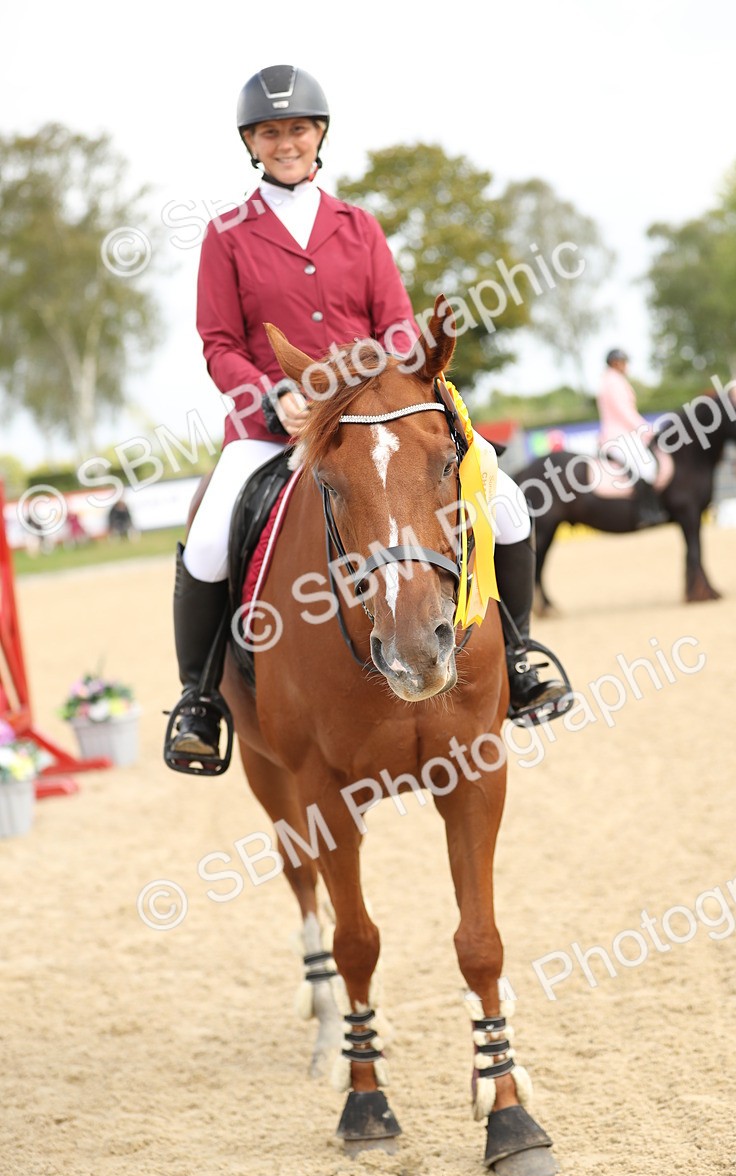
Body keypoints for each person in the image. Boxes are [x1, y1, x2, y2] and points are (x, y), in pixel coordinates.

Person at [165, 64, 571, 769]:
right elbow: (219, 342)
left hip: (374, 422)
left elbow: (397, 326)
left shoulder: (358, 226)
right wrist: (269, 397)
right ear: (251, 144)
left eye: (297, 129)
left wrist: (409, 384)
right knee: (205, 540)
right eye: (270, 132)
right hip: (276, 425)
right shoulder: (226, 234)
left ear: (318, 134)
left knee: (506, 505)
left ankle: (520, 652)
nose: (285, 142)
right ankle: (198, 698)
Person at [596, 349, 666, 528]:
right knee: (646, 467)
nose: (626, 366)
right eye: (624, 362)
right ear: (615, 363)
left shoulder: (611, 380)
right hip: (618, 436)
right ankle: (646, 512)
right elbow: (624, 412)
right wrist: (646, 429)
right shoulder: (613, 382)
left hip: (621, 434)